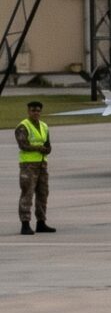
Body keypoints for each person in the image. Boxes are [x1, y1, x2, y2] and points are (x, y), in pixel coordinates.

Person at [17, 98, 53, 235]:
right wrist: (39, 148)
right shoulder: (23, 126)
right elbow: (23, 145)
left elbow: (48, 144)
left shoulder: (44, 126)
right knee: (27, 193)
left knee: (43, 193)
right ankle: (25, 223)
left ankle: (41, 222)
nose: (36, 113)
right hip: (28, 165)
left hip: (42, 164)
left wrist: (47, 149)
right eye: (33, 110)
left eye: (38, 111)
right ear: (28, 111)